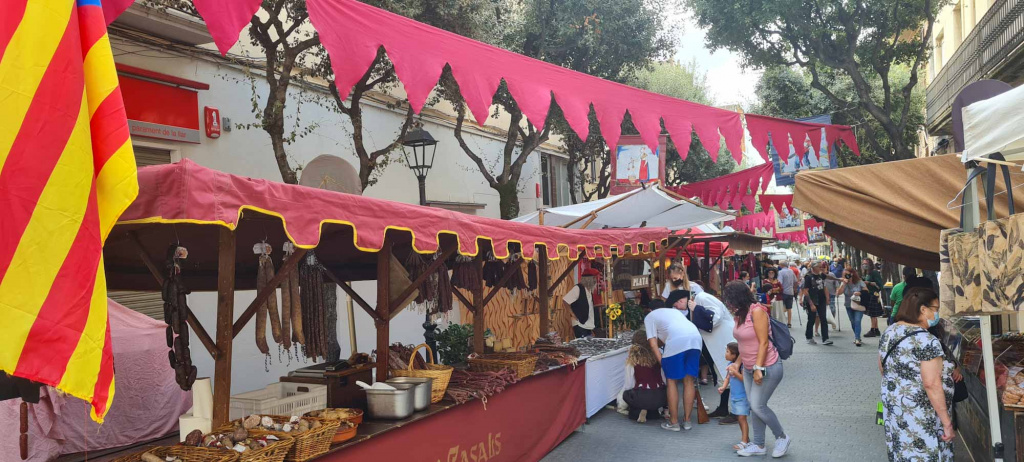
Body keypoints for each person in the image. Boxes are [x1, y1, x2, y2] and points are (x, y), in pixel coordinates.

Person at [878, 288, 955, 461]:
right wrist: (946, 422)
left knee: (904, 452)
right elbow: (931, 384)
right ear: (923, 309)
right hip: (922, 414)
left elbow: (883, 368)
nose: (937, 313)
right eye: (935, 309)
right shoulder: (927, 341)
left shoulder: (890, 332)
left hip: (896, 408)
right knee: (925, 453)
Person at [724, 281, 791, 458]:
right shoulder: (740, 314)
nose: (728, 303)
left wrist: (758, 368)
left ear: (737, 297)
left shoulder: (757, 311)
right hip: (748, 368)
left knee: (758, 406)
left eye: (730, 299)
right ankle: (759, 445)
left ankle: (782, 437)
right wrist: (738, 363)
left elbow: (763, 342)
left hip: (767, 366)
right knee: (755, 407)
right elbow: (743, 342)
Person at [645, 291, 703, 432]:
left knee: (672, 381)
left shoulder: (650, 316)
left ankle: (674, 422)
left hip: (677, 342)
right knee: (689, 380)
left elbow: (653, 344)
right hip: (695, 339)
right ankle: (687, 421)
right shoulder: (674, 312)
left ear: (650, 310)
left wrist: (662, 362)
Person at [685, 280, 738, 422]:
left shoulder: (702, 297)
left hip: (725, 341)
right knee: (723, 376)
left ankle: (737, 412)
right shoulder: (697, 300)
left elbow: (716, 317)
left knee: (732, 376)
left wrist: (697, 309)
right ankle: (723, 408)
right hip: (717, 344)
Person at [618, 329, 668, 423]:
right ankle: (653, 411)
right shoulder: (657, 356)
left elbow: (629, 384)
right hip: (660, 397)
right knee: (652, 408)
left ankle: (642, 409)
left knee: (626, 395)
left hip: (642, 395)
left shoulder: (632, 360)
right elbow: (664, 380)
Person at [718, 342, 751, 452]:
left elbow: (744, 379)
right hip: (735, 397)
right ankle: (746, 438)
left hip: (742, 397)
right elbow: (727, 377)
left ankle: (744, 441)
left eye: (727, 351)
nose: (725, 353)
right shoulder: (730, 364)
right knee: (740, 418)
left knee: (742, 418)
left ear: (735, 355)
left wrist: (735, 373)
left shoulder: (741, 366)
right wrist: (723, 387)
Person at [801, 261, 832, 346]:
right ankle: (809, 337)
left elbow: (828, 279)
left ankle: (825, 338)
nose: (820, 268)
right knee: (811, 319)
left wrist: (827, 298)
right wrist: (811, 304)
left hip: (821, 300)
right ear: (814, 267)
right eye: (819, 267)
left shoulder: (821, 275)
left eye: (821, 266)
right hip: (813, 300)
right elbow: (805, 291)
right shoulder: (808, 277)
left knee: (823, 319)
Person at [836, 269, 868, 346]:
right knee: (853, 321)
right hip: (848, 305)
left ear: (852, 274)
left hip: (858, 304)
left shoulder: (859, 282)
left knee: (857, 321)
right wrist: (843, 284)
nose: (847, 276)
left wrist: (860, 293)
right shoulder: (844, 283)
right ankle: (857, 336)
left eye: (848, 274)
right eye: (845, 275)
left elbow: (866, 291)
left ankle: (857, 338)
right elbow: (838, 293)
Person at [564, 269, 599, 338]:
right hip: (580, 324)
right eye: (594, 278)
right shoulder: (578, 288)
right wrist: (572, 314)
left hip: (588, 325)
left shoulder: (589, 291)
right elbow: (565, 300)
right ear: (589, 279)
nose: (596, 281)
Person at [862, 259, 886, 337]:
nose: (864, 265)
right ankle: (876, 329)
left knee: (873, 313)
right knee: (873, 314)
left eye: (866, 263)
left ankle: (873, 329)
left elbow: (879, 284)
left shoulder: (874, 272)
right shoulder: (867, 273)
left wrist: (869, 283)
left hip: (874, 294)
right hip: (869, 294)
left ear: (870, 264)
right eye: (863, 263)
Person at [777, 261, 797, 328]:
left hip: (783, 292)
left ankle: (782, 321)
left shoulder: (780, 272)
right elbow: (796, 281)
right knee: (789, 308)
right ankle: (789, 323)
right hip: (791, 292)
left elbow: (780, 282)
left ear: (781, 265)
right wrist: (795, 289)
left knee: (782, 307)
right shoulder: (791, 271)